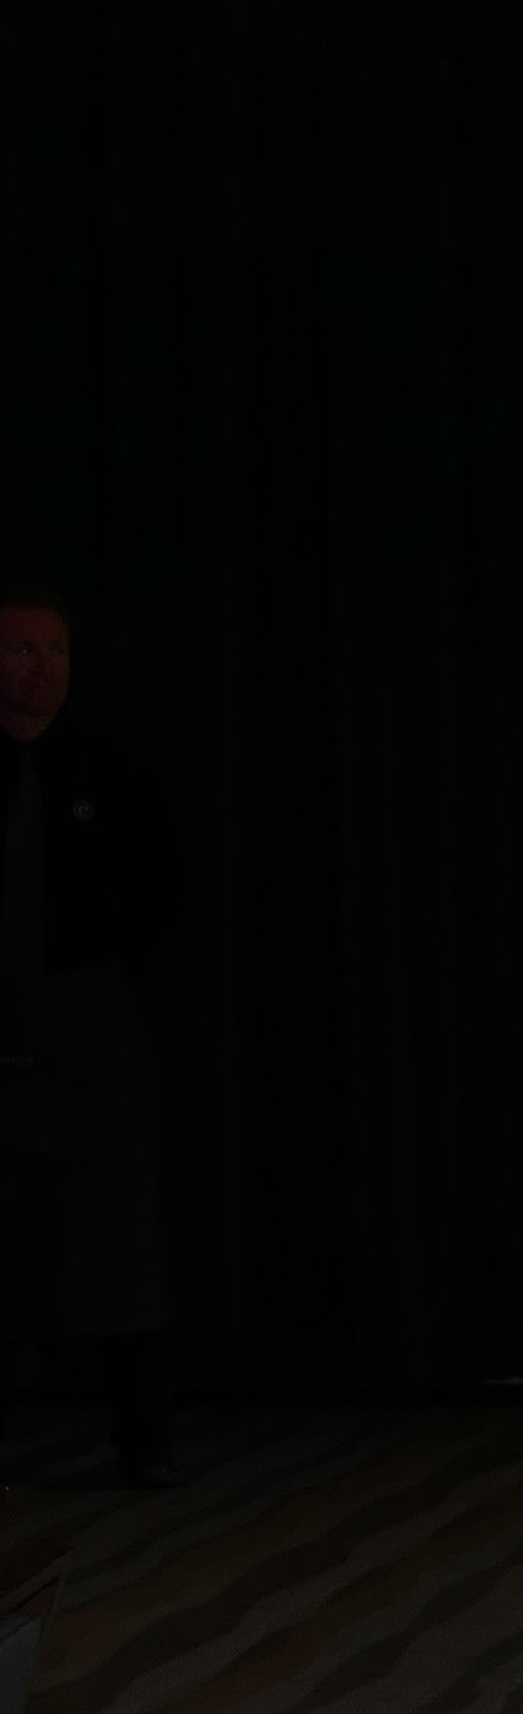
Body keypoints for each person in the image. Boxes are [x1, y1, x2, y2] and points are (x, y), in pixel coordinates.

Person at [0, 585, 179, 1487]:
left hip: (87, 1029)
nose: (45, 669)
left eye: (58, 652)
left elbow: (151, 905)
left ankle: (143, 1445)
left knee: (112, 1237)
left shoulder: (110, 773)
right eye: (26, 651)